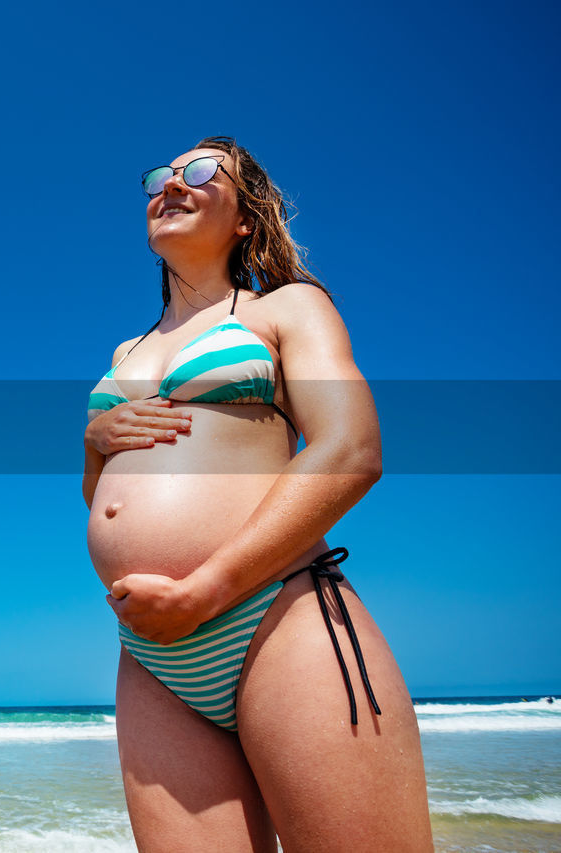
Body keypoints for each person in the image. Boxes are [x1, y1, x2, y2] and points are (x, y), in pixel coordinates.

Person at [83, 137, 433, 851]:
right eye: (162, 177)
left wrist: (207, 588)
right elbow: (102, 498)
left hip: (272, 614)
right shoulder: (124, 353)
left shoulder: (285, 309)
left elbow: (352, 451)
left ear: (246, 217)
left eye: (201, 174)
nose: (173, 186)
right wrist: (93, 441)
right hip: (153, 653)